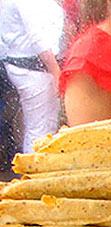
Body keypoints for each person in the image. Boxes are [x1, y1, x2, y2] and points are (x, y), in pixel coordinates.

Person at [0, 0, 64, 152]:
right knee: (41, 130)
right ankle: (32, 171)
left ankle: (33, 168)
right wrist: (56, 71)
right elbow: (38, 38)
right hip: (33, 67)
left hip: (29, 65)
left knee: (42, 126)